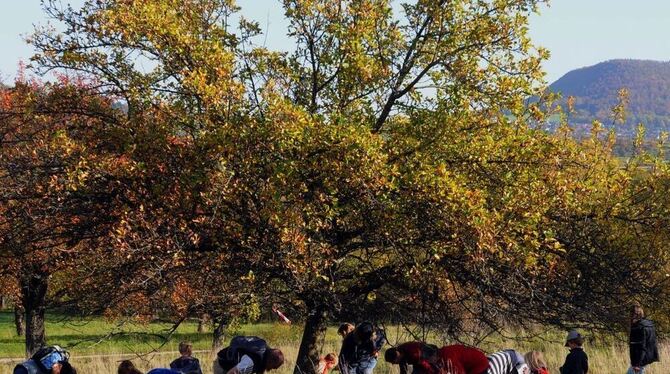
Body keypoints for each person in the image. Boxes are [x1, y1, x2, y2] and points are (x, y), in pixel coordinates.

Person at [385, 342, 489, 374]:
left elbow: (459, 372)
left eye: (393, 362)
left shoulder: (447, 359)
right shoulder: (400, 350)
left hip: (480, 364)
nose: (394, 364)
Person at [214, 336, 285, 374]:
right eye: (274, 367)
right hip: (222, 365)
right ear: (270, 362)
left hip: (236, 366)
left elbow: (260, 370)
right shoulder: (250, 362)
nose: (273, 369)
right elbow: (232, 373)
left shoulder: (266, 356)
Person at [628, 304, 659, 374]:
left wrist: (637, 364)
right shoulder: (648, 324)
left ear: (634, 315)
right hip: (647, 358)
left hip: (639, 361)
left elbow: (642, 346)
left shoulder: (638, 328)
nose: (629, 316)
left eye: (631, 314)